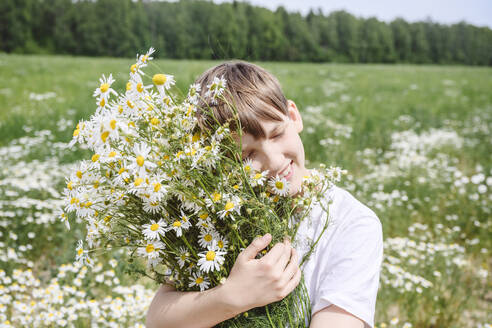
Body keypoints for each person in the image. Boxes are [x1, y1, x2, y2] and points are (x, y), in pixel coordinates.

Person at [146, 61, 383, 328]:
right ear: (219, 163)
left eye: (277, 133)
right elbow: (158, 319)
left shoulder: (351, 224)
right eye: (247, 155)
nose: (273, 160)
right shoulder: (216, 215)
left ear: (293, 116)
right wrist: (232, 296)